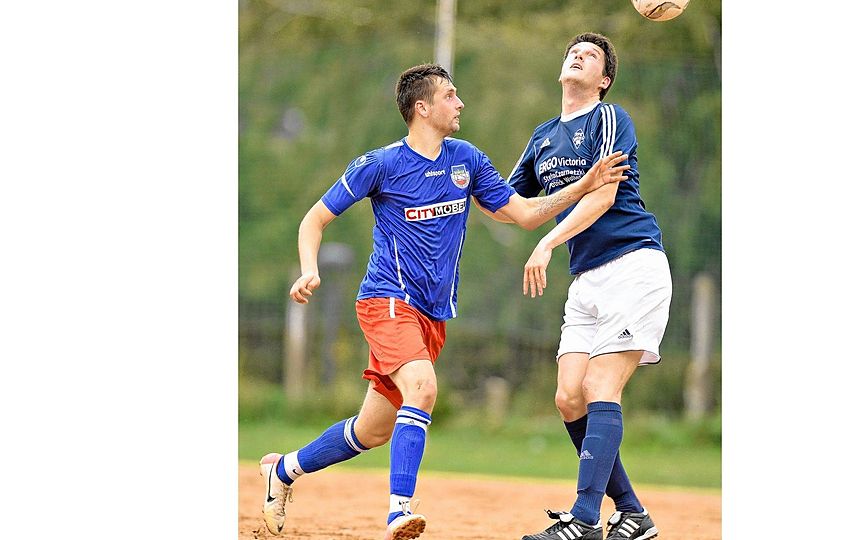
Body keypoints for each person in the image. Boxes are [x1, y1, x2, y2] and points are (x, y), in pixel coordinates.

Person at [258, 63, 630, 540]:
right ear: (423, 108)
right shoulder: (381, 163)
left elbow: (523, 214)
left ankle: (283, 471)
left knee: (372, 430)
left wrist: (583, 185)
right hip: (387, 301)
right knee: (423, 388)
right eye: (451, 96)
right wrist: (309, 269)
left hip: (431, 316)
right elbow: (313, 220)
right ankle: (398, 511)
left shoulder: (467, 160)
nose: (460, 104)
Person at [482, 33, 672, 540]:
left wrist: (547, 243)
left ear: (604, 80)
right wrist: (456, 183)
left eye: (592, 55)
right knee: (569, 398)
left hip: (632, 263)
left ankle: (585, 520)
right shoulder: (543, 136)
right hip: (586, 277)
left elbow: (604, 195)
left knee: (599, 388)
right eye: (574, 50)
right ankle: (632, 512)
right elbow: (511, 204)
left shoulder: (608, 119)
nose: (578, 54)